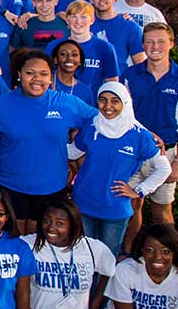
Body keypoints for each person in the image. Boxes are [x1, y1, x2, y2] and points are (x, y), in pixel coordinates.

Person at [0, 50, 96, 235]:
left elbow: (103, 118)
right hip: (9, 184)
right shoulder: (0, 105)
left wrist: (77, 144)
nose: (36, 79)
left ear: (51, 76)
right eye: (30, 73)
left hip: (51, 186)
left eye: (43, 74)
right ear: (19, 74)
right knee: (14, 235)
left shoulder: (67, 103)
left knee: (39, 236)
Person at [72, 81, 171, 257]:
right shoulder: (92, 126)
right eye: (102, 100)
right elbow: (72, 152)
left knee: (107, 258)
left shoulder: (139, 135)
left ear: (125, 103)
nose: (107, 106)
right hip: (83, 202)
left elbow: (164, 168)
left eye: (114, 101)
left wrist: (139, 190)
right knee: (84, 256)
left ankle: (102, 286)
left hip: (114, 207)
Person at [122, 23, 178, 236]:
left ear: (171, 44)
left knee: (162, 210)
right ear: (143, 45)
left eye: (160, 42)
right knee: (130, 206)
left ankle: (170, 255)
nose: (154, 46)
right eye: (149, 42)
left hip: (166, 155)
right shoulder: (130, 75)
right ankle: (129, 251)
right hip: (133, 151)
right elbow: (122, 115)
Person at [25, 198, 116, 309]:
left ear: (73, 225)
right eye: (46, 220)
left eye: (59, 223)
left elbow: (108, 273)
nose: (50, 227)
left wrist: (95, 306)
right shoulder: (29, 245)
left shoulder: (93, 248)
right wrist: (19, 305)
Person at [90, 0, 146, 68]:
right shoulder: (84, 24)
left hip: (118, 80)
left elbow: (139, 64)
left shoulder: (130, 26)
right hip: (88, 80)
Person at [50, 39, 97, 107]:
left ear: (80, 61)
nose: (69, 58)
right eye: (63, 54)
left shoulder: (85, 92)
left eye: (74, 55)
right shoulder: (44, 82)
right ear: (55, 59)